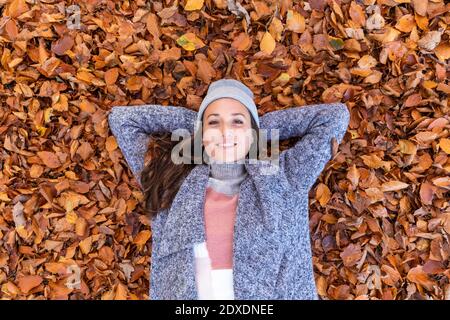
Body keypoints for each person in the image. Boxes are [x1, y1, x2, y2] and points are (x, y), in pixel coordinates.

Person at [107, 78, 350, 300]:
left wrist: (255, 129)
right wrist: (199, 127)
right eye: (214, 123)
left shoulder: (283, 176)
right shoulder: (169, 180)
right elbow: (123, 120)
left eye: (237, 121)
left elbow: (333, 118)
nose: (225, 131)